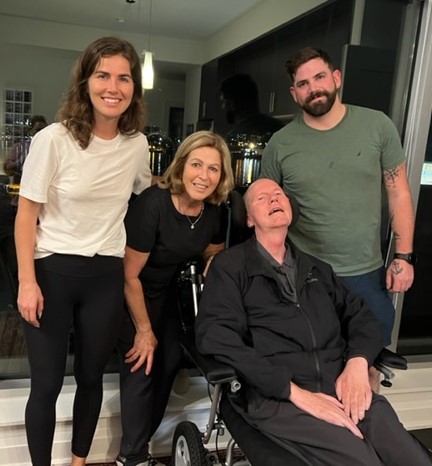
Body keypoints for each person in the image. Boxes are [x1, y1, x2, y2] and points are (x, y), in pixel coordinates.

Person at [195, 178, 431, 466]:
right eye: (261, 198)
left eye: (278, 194)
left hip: (341, 386)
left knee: (412, 458)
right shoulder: (230, 268)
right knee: (362, 460)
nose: (273, 199)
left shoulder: (317, 269)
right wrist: (295, 392)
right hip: (276, 397)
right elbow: (215, 335)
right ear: (249, 219)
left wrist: (357, 363)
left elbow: (362, 317)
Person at [14, 36, 152, 466]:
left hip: (105, 278)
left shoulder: (137, 146)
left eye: (123, 77)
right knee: (47, 385)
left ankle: (78, 463)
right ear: (86, 82)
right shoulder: (53, 139)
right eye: (103, 75)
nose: (113, 87)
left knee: (92, 379)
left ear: (134, 88)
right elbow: (26, 216)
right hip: (51, 273)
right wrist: (26, 281)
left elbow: (149, 199)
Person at [260, 46, 415, 346]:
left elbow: (399, 194)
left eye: (319, 77)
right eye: (303, 84)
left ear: (336, 77)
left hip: (366, 275)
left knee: (369, 362)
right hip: (305, 275)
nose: (313, 88)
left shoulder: (377, 126)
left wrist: (403, 256)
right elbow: (268, 212)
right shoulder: (280, 145)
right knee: (313, 365)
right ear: (294, 93)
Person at [116, 130, 234, 466]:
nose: (204, 175)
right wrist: (143, 329)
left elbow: (213, 250)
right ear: (181, 166)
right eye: (197, 164)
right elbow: (128, 274)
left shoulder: (212, 212)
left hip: (165, 295)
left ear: (222, 175)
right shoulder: (152, 206)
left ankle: (138, 445)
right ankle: (134, 458)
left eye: (214, 169)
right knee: (143, 364)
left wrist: (213, 267)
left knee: (169, 364)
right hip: (129, 293)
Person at [219, 73, 284, 140]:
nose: (223, 107)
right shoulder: (278, 126)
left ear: (232, 103)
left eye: (223, 102)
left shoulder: (235, 137)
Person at [4, 114, 48, 184]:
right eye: (38, 130)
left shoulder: (51, 149)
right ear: (31, 131)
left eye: (44, 130)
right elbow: (7, 167)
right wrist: (23, 161)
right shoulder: (20, 147)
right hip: (21, 185)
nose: (41, 133)